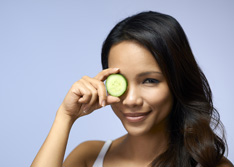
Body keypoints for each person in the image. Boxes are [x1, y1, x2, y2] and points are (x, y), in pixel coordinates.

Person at [31, 11, 233, 167]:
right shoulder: (89, 156)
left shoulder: (211, 164)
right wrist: (65, 117)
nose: (131, 100)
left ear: (177, 81)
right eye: (120, 82)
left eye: (149, 81)